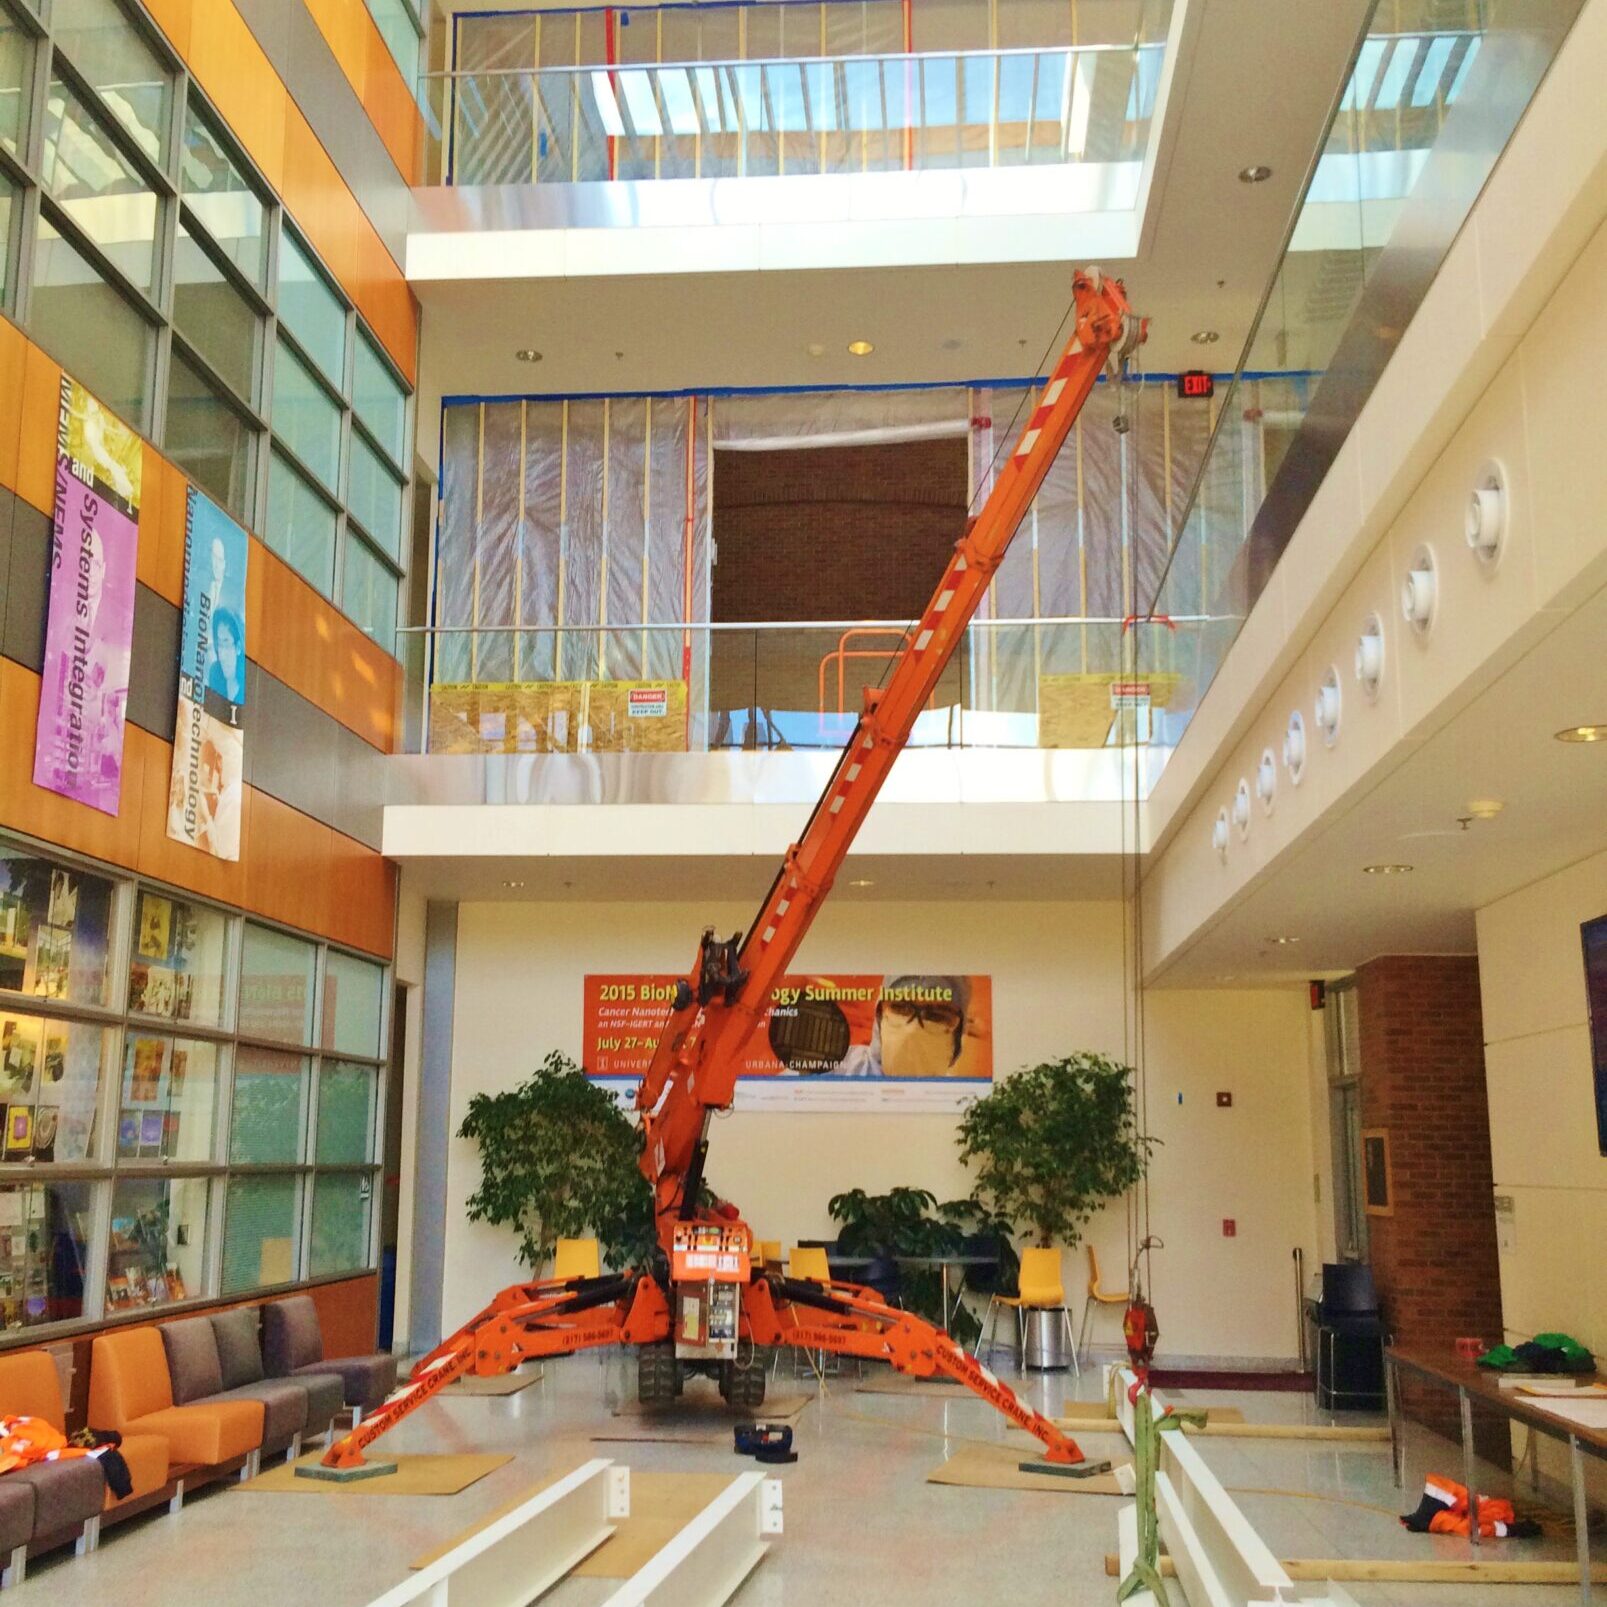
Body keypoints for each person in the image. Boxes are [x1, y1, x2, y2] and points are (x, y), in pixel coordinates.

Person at [837, 976, 972, 1078]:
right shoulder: (836, 1069)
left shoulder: (961, 1101)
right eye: (901, 1007)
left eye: (936, 1015)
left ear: (957, 1035)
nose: (912, 1030)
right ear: (879, 1015)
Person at [205, 608, 245, 706]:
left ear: (238, 647)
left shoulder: (246, 683)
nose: (222, 655)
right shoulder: (215, 672)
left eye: (226, 644)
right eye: (219, 645)